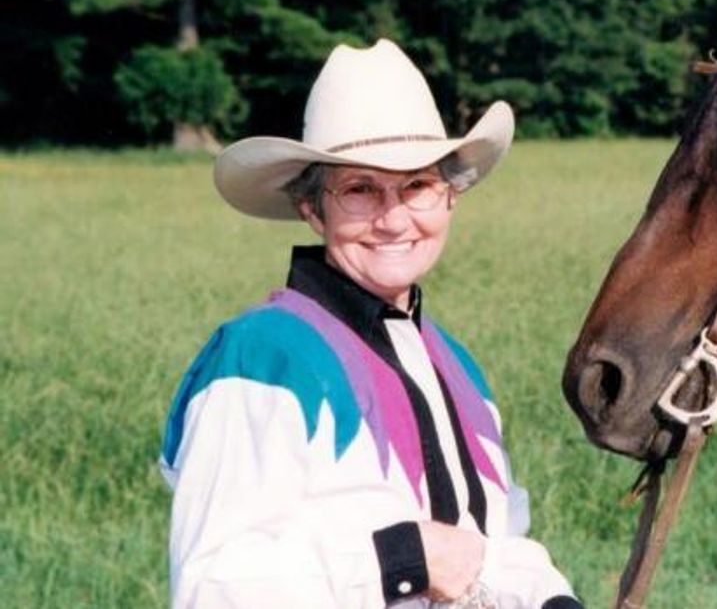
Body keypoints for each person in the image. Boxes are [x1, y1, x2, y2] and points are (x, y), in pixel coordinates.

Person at [159, 39, 583, 609]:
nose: (393, 218)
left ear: (451, 197)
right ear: (312, 208)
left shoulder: (454, 364)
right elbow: (213, 587)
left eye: (418, 186)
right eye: (360, 189)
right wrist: (407, 560)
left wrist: (553, 599)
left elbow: (491, 549)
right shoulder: (260, 357)